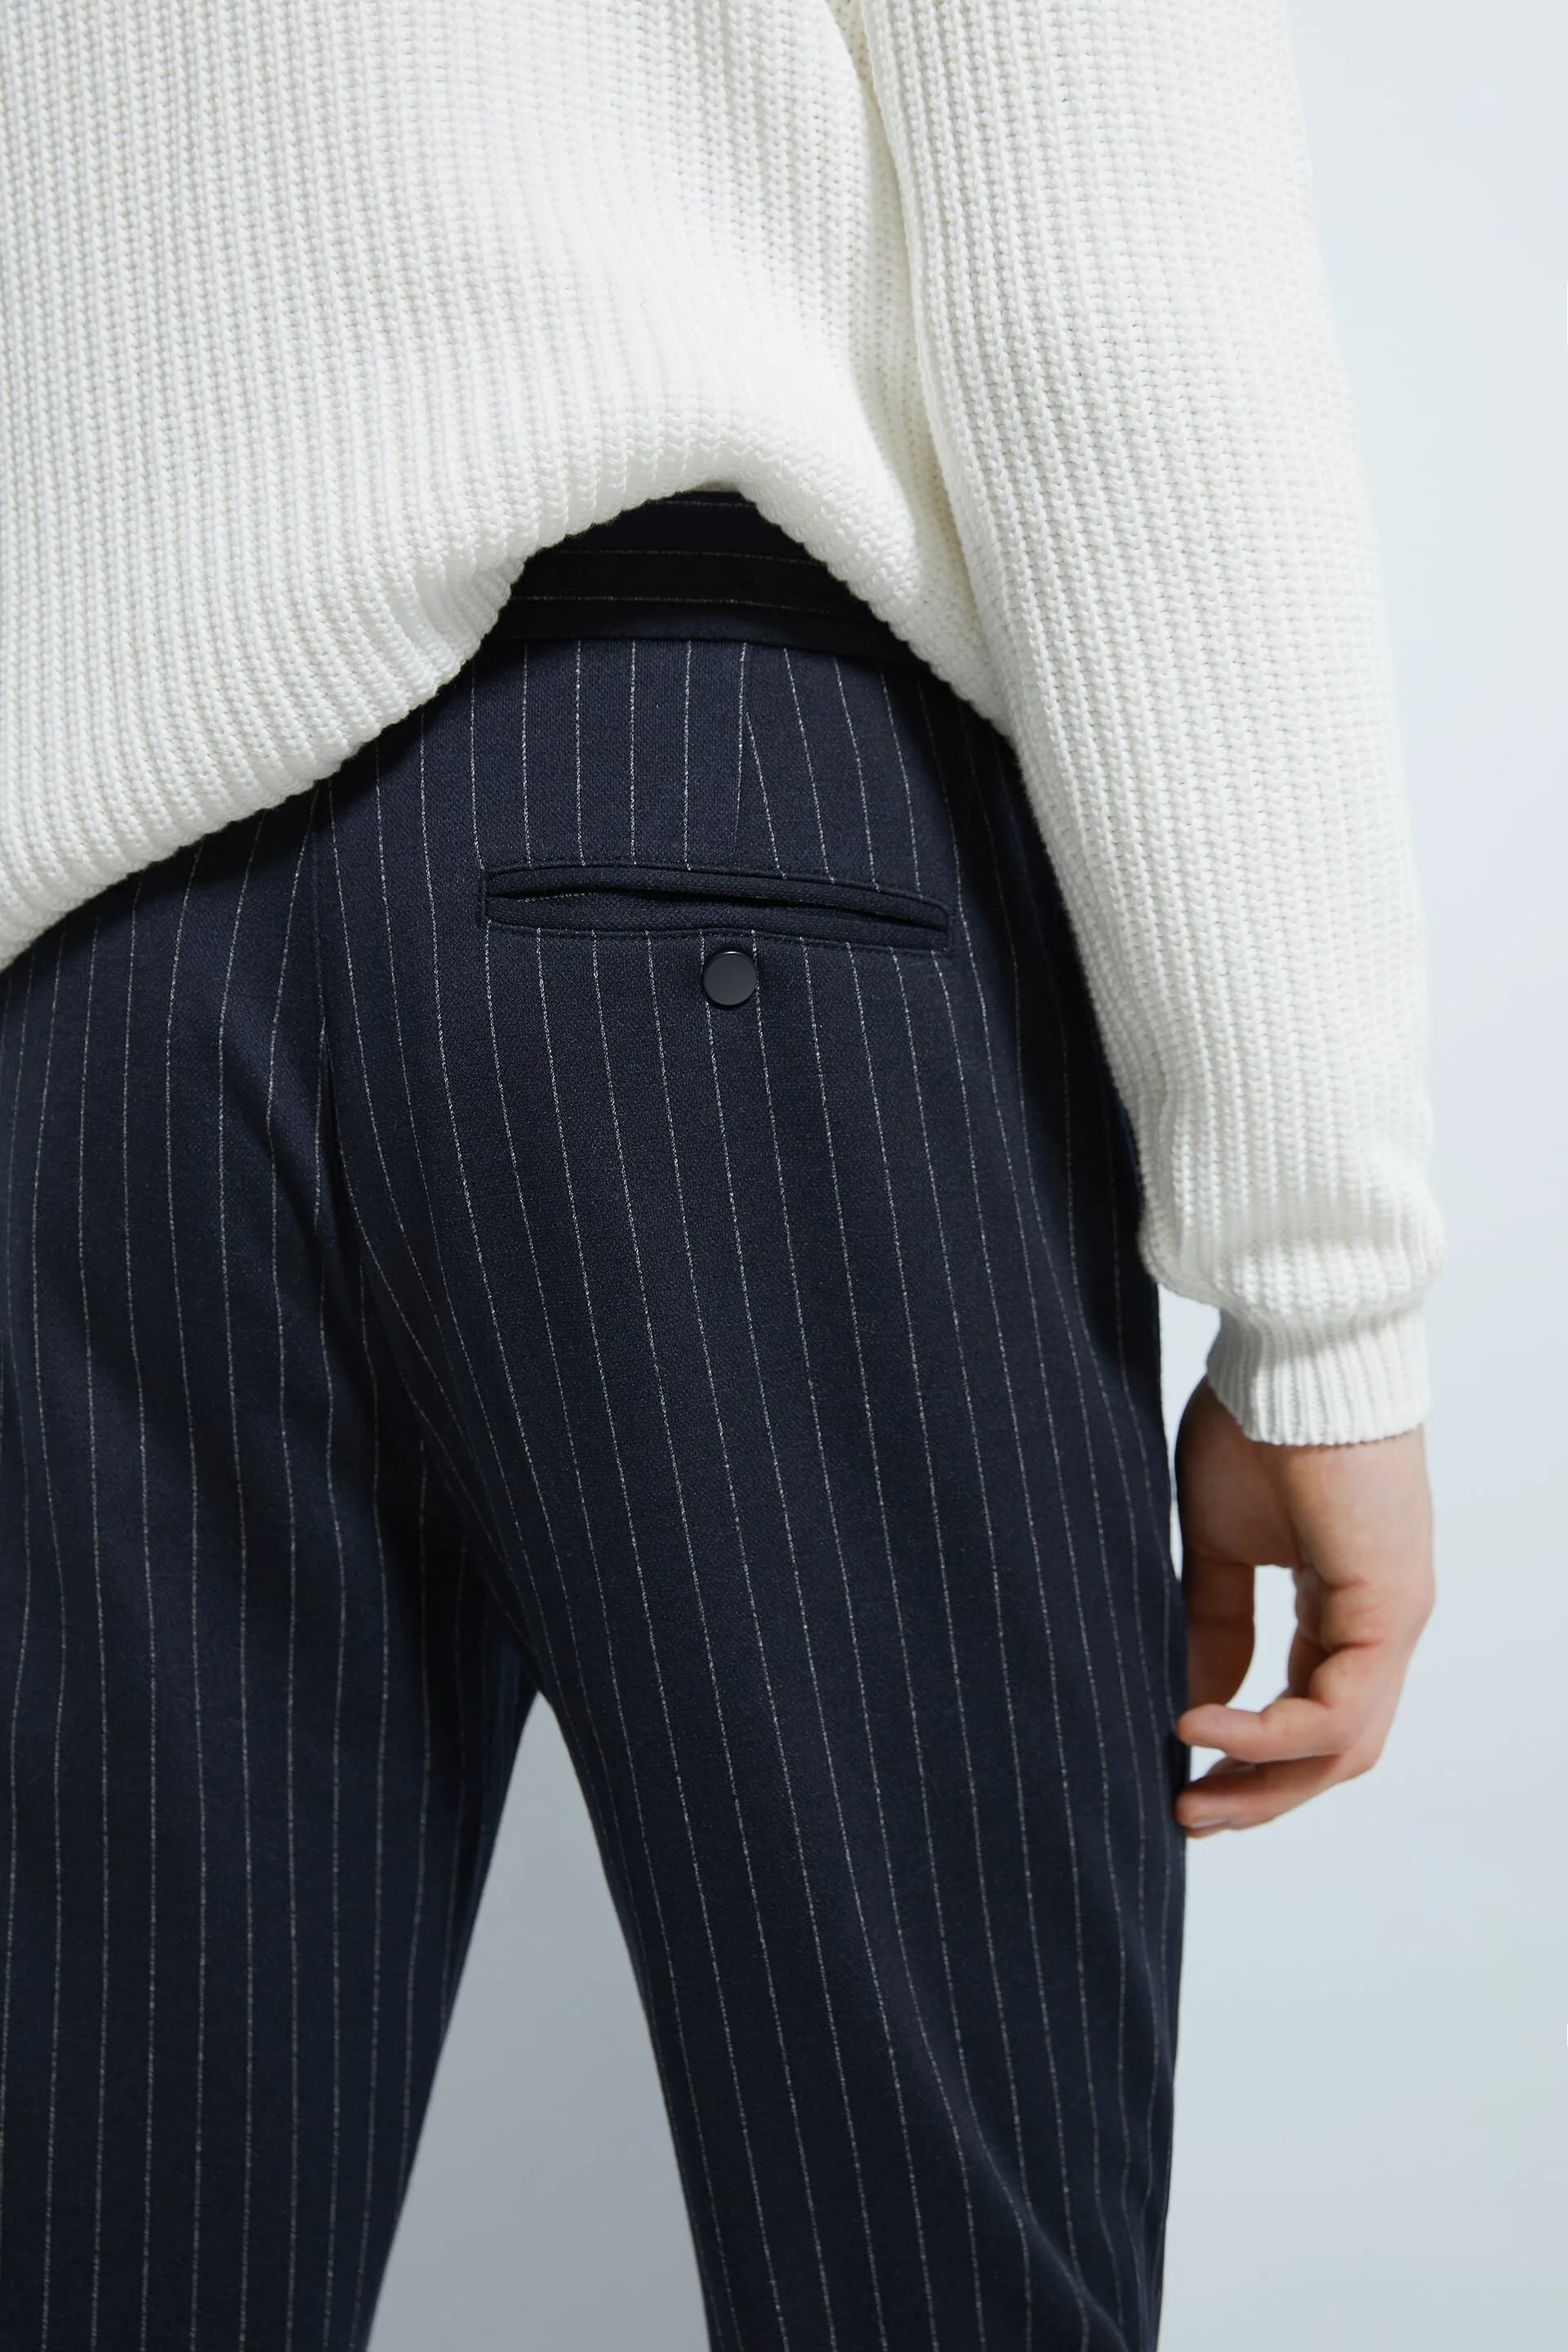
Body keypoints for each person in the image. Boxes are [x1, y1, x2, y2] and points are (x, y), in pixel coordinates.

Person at [0, 4, 1440, 2347]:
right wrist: (1326, 1297)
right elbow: (1116, 297)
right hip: (728, 851)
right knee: (943, 2279)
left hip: (98, 969)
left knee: (106, 2251)